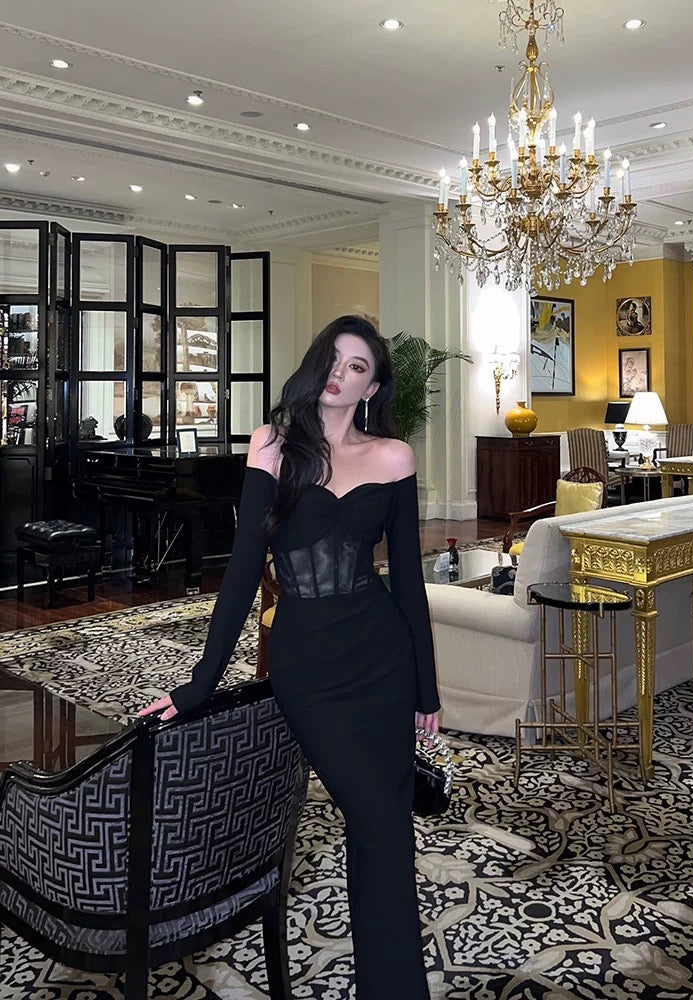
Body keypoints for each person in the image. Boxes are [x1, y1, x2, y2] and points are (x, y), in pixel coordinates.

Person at [139, 314, 440, 999]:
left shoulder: (393, 456)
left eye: (357, 366)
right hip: (309, 669)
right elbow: (243, 574)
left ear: (372, 387)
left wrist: (426, 689)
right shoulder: (272, 446)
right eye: (333, 358)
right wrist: (198, 684)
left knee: (385, 831)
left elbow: (409, 585)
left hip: (383, 660)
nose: (339, 373)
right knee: (377, 824)